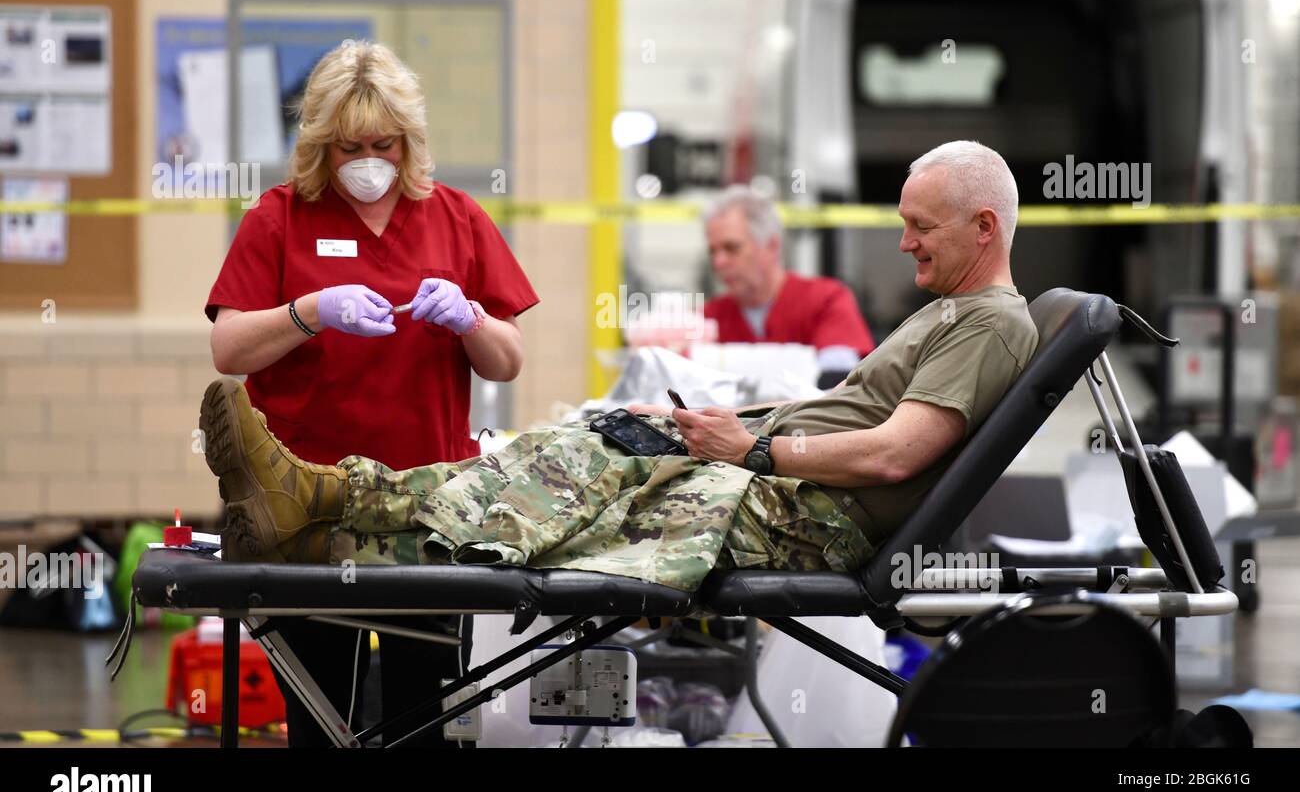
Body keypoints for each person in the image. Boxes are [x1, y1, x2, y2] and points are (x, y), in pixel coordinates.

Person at [200, 140, 1034, 598]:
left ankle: (324, 509)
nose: (903, 242)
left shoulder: (990, 323)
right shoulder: (949, 314)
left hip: (804, 517)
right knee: (593, 438)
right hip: (780, 486)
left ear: (984, 227)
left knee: (573, 474)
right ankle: (319, 505)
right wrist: (737, 435)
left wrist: (751, 449)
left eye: (921, 226)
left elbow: (894, 454)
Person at [203, 39, 539, 746]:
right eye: (348, 146)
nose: (367, 162)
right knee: (320, 719)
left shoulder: (455, 218)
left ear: (408, 142)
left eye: (383, 144)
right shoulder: (279, 218)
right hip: (309, 512)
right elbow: (229, 348)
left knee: (427, 715)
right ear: (320, 144)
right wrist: (312, 312)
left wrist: (471, 318)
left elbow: (507, 361)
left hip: (428, 508)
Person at [703, 187, 875, 386]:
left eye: (731, 248)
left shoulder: (827, 300)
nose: (718, 262)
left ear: (772, 246)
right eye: (712, 252)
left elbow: (840, 384)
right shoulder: (707, 319)